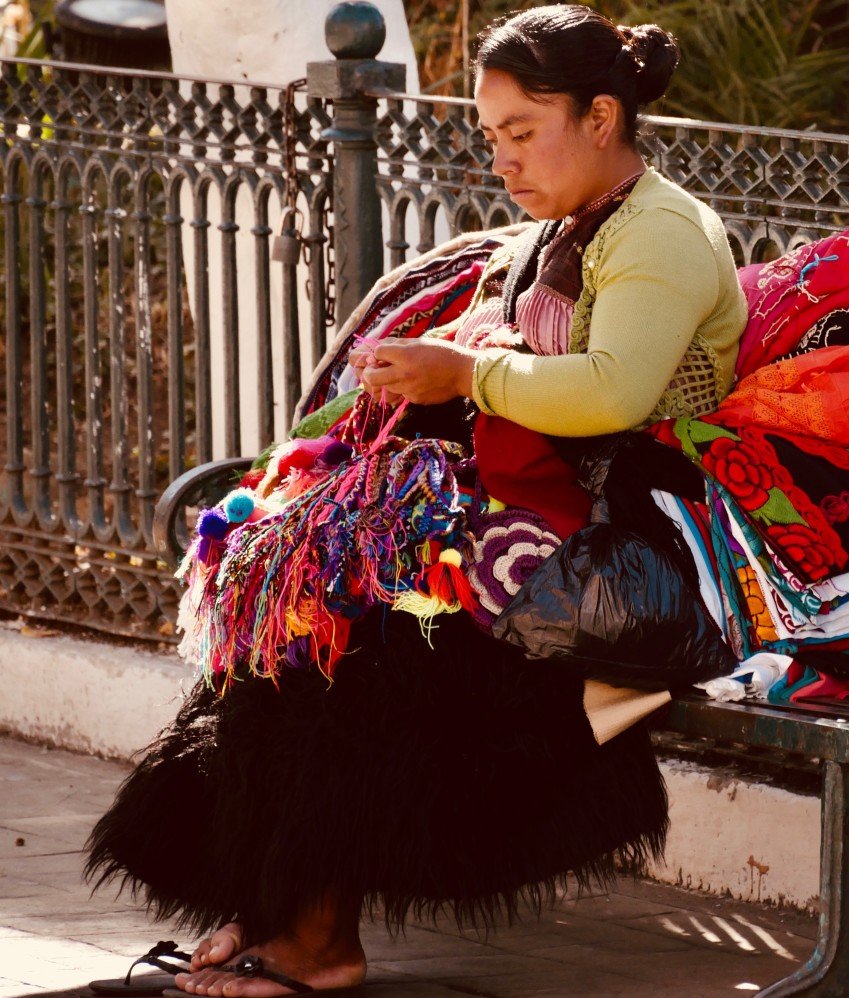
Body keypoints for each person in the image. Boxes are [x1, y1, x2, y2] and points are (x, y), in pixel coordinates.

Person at [85, 6, 746, 996]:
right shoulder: (566, 231)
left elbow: (613, 392)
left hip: (633, 585)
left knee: (373, 653)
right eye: (492, 138)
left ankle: (315, 935)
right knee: (297, 626)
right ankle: (276, 907)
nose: (503, 161)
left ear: (602, 116)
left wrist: (463, 376)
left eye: (523, 133)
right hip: (541, 545)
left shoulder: (661, 231)